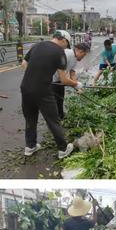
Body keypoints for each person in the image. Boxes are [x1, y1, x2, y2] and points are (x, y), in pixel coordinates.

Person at [21, 30, 82, 159]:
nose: (66, 48)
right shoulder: (59, 52)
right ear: (63, 40)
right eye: (67, 44)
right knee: (53, 120)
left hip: (26, 87)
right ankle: (63, 149)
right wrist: (76, 84)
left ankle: (30, 146)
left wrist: (34, 75)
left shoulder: (37, 46)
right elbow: (64, 79)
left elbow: (24, 63)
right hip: (43, 90)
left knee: (30, 118)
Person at [52, 43, 90, 119]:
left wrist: (78, 87)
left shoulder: (75, 59)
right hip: (51, 80)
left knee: (60, 99)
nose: (83, 57)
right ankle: (55, 121)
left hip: (59, 80)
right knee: (54, 101)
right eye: (84, 55)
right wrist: (76, 84)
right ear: (80, 51)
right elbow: (64, 80)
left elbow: (72, 74)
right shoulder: (67, 54)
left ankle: (61, 116)